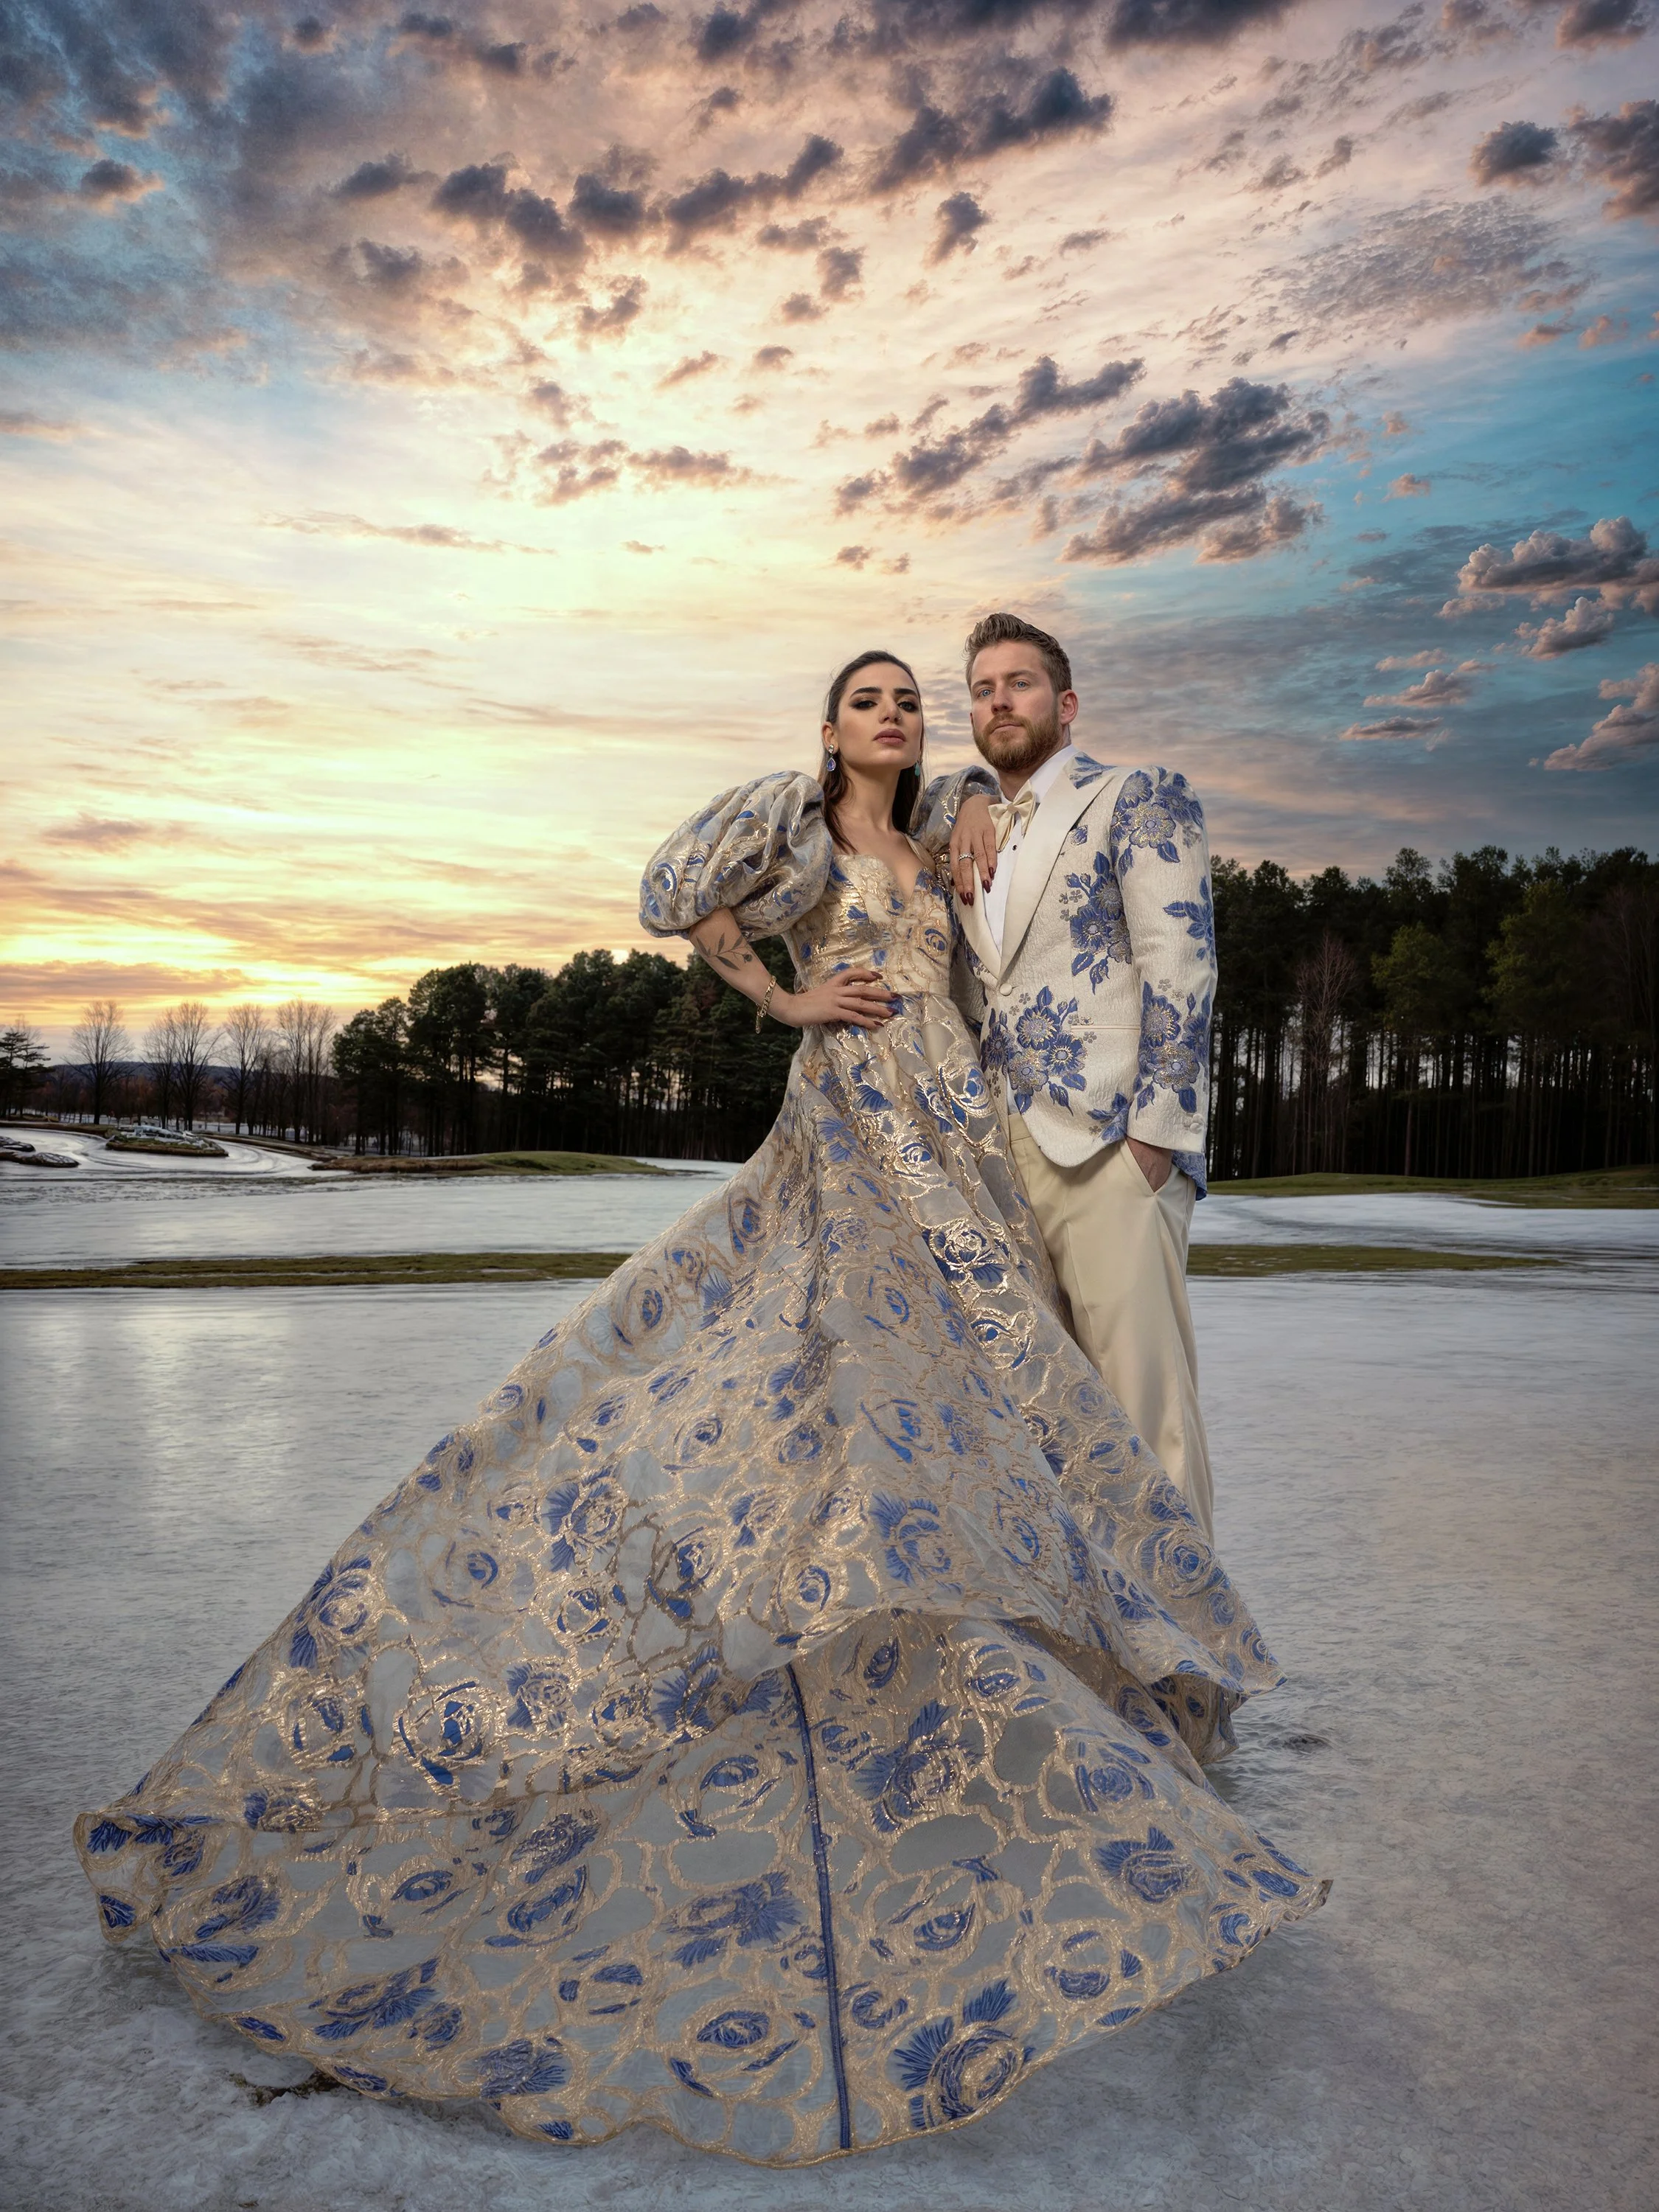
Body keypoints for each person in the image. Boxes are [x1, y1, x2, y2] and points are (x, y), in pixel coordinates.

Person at [74, 649, 1322, 2167]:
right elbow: (679, 896)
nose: (897, 717)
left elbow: (1022, 954)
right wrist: (787, 991)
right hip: (862, 1121)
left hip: (975, 1135)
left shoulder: (943, 839)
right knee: (860, 1390)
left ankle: (1070, 1669)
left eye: (908, 705)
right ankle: (848, 1639)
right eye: (870, 701)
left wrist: (977, 833)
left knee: (997, 1406)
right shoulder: (798, 834)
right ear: (826, 729)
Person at [938, 613, 1218, 1540]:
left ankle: (1192, 1669)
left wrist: (1157, 1137)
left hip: (1109, 1142)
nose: (998, 701)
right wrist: (976, 788)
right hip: (1000, 1155)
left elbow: (1181, 962)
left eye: (1017, 684)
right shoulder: (971, 821)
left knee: (1146, 1414)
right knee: (1045, 1417)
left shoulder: (1138, 795)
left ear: (1065, 704)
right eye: (982, 690)